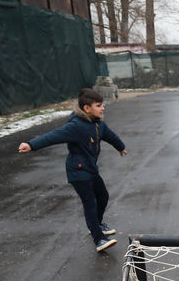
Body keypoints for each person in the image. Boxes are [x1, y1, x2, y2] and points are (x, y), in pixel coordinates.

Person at [18, 87, 127, 252]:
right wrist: (31, 145)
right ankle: (98, 239)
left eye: (102, 105)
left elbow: (110, 136)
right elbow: (52, 136)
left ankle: (97, 225)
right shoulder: (76, 126)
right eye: (98, 105)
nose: (102, 108)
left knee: (103, 196)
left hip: (91, 170)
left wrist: (120, 147)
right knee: (90, 203)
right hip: (78, 172)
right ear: (87, 108)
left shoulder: (98, 124)